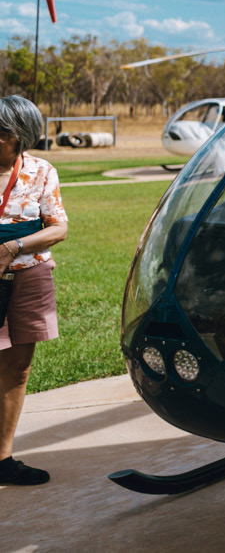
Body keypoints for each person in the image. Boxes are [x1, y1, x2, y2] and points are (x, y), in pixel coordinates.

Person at [0, 96, 69, 486]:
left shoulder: (41, 171)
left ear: (17, 137)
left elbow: (58, 227)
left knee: (18, 368)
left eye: (1, 132)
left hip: (29, 276)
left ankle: (2, 458)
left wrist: (13, 247)